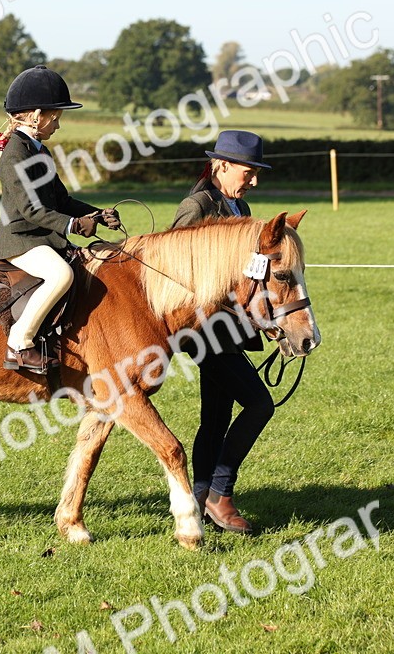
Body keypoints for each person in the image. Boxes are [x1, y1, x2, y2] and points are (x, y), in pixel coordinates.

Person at [0, 65, 121, 374]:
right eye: (55, 118)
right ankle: (19, 344)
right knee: (61, 275)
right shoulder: (14, 156)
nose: (58, 125)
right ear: (35, 116)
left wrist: (96, 214)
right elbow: (31, 210)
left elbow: (62, 201)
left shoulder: (39, 151)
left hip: (38, 236)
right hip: (19, 239)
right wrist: (74, 225)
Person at [171, 129, 274, 534]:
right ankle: (220, 493)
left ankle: (199, 500)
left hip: (231, 332)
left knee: (215, 418)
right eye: (249, 173)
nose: (254, 181)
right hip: (204, 333)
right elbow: (174, 273)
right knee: (259, 404)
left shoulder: (240, 205)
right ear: (222, 165)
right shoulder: (196, 206)